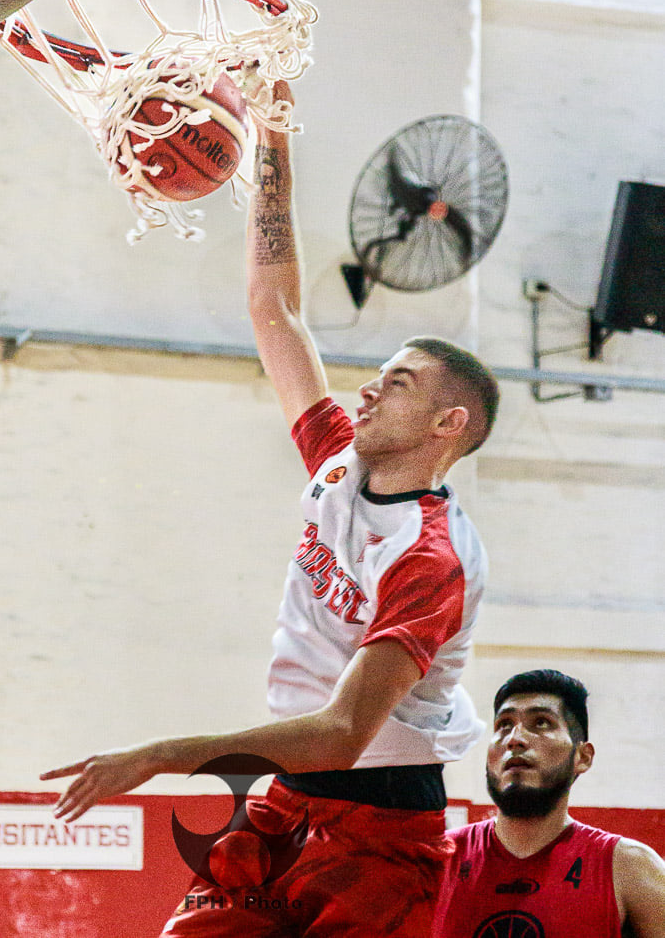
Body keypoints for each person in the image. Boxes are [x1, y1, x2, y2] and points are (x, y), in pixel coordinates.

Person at [41, 82, 500, 936]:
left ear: (448, 424)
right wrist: (273, 137)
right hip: (286, 801)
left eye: (395, 383)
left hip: (381, 828)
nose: (368, 387)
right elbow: (275, 305)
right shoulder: (336, 463)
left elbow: (337, 734)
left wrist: (159, 755)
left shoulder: (429, 559)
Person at [433, 668, 665, 937]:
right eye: (504, 724)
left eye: (541, 722)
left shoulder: (630, 868)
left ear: (582, 756)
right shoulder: (437, 861)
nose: (515, 739)